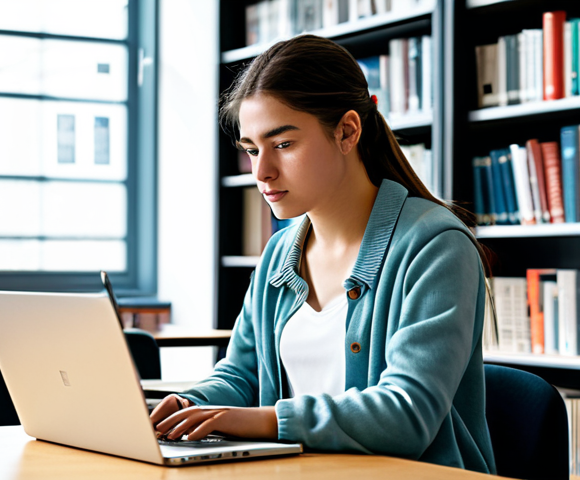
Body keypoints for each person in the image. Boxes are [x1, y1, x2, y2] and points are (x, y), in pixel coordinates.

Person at [150, 34, 496, 474]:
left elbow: (406, 414)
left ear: (347, 131)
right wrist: (188, 406)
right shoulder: (280, 253)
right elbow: (242, 376)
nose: (262, 172)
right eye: (252, 149)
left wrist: (265, 420)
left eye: (283, 145)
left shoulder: (435, 246)